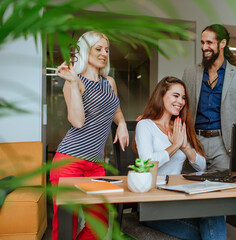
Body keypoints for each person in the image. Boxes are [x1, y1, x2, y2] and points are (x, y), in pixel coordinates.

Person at [49, 31, 129, 240]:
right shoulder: (76, 82)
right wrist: (74, 84)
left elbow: (116, 110)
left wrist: (121, 124)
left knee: (99, 227)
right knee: (66, 227)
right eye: (98, 49)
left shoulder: (109, 82)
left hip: (95, 163)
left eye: (107, 49)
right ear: (87, 50)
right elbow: (77, 121)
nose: (104, 53)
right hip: (70, 161)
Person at [134, 76, 226, 240]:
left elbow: (202, 166)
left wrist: (185, 147)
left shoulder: (178, 126)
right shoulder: (145, 125)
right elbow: (147, 163)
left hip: (178, 200)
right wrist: (174, 146)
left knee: (214, 211)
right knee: (209, 232)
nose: (181, 101)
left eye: (183, 97)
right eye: (175, 96)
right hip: (154, 206)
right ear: (161, 96)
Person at [182, 24, 236, 172]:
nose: (204, 47)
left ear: (222, 43)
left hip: (223, 144)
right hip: (195, 141)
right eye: (202, 43)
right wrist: (153, 115)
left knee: (222, 190)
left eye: (209, 43)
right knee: (191, 188)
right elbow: (178, 104)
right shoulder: (190, 72)